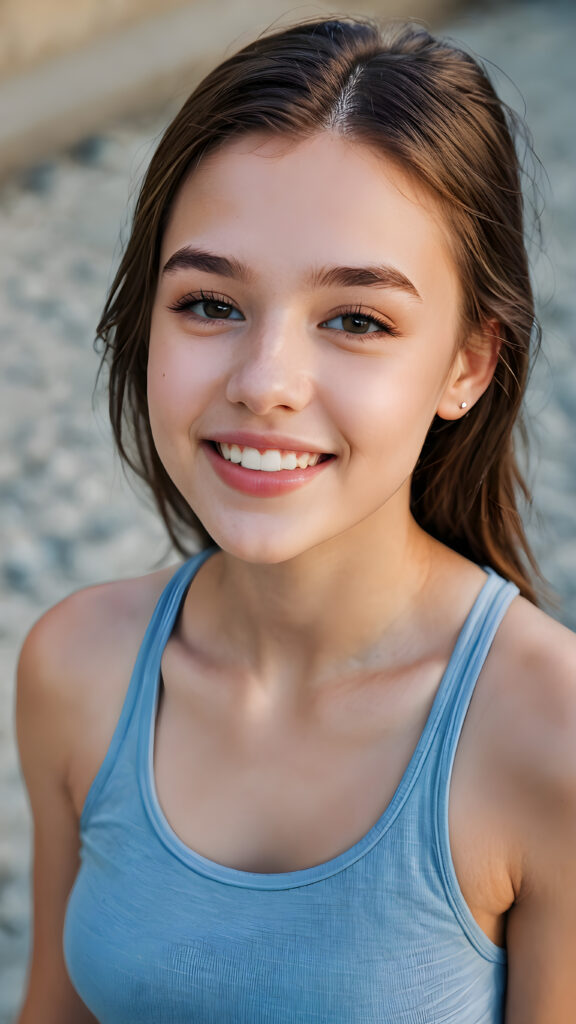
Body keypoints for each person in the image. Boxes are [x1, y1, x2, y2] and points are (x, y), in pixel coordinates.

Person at [14, 16, 576, 1024]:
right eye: (210, 303)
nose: (265, 381)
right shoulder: (76, 665)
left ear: (469, 363)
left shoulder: (551, 736)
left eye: (356, 320)